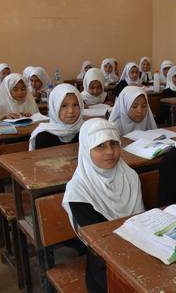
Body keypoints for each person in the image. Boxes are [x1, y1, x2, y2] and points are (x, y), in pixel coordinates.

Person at [62, 118, 144, 293]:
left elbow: (141, 220)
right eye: (100, 146)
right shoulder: (78, 190)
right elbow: (95, 244)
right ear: (86, 149)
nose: (110, 152)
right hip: (104, 264)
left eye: (114, 143)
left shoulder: (130, 176)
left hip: (138, 250)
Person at [29, 83, 84, 150]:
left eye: (75, 105)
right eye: (63, 106)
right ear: (54, 108)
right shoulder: (43, 136)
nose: (71, 111)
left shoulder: (85, 130)